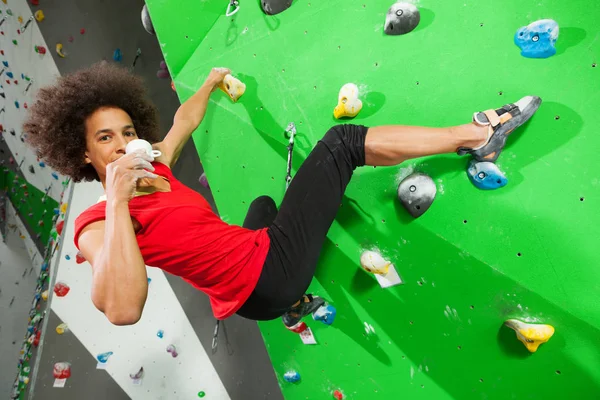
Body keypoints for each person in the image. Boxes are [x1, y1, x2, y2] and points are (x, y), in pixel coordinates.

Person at [23, 62, 541, 330]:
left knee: (263, 209)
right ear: (83, 153)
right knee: (340, 144)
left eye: (126, 130)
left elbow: (183, 122)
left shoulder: (154, 164)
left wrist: (209, 81)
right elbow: (121, 309)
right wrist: (116, 201)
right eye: (103, 139)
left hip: (246, 301)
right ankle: (476, 136)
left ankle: (295, 308)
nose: (122, 144)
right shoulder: (96, 224)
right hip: (267, 275)